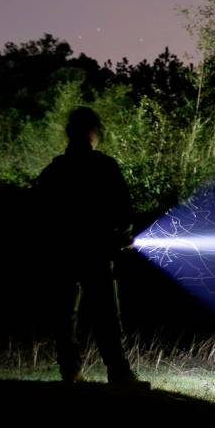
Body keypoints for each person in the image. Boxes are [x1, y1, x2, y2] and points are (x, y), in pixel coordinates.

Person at [35, 106, 145, 387]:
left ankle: (70, 372)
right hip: (97, 252)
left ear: (69, 133)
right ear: (93, 132)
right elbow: (123, 209)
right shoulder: (104, 166)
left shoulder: (54, 170)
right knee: (106, 314)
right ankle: (118, 372)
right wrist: (123, 235)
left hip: (61, 252)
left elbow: (39, 213)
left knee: (64, 314)